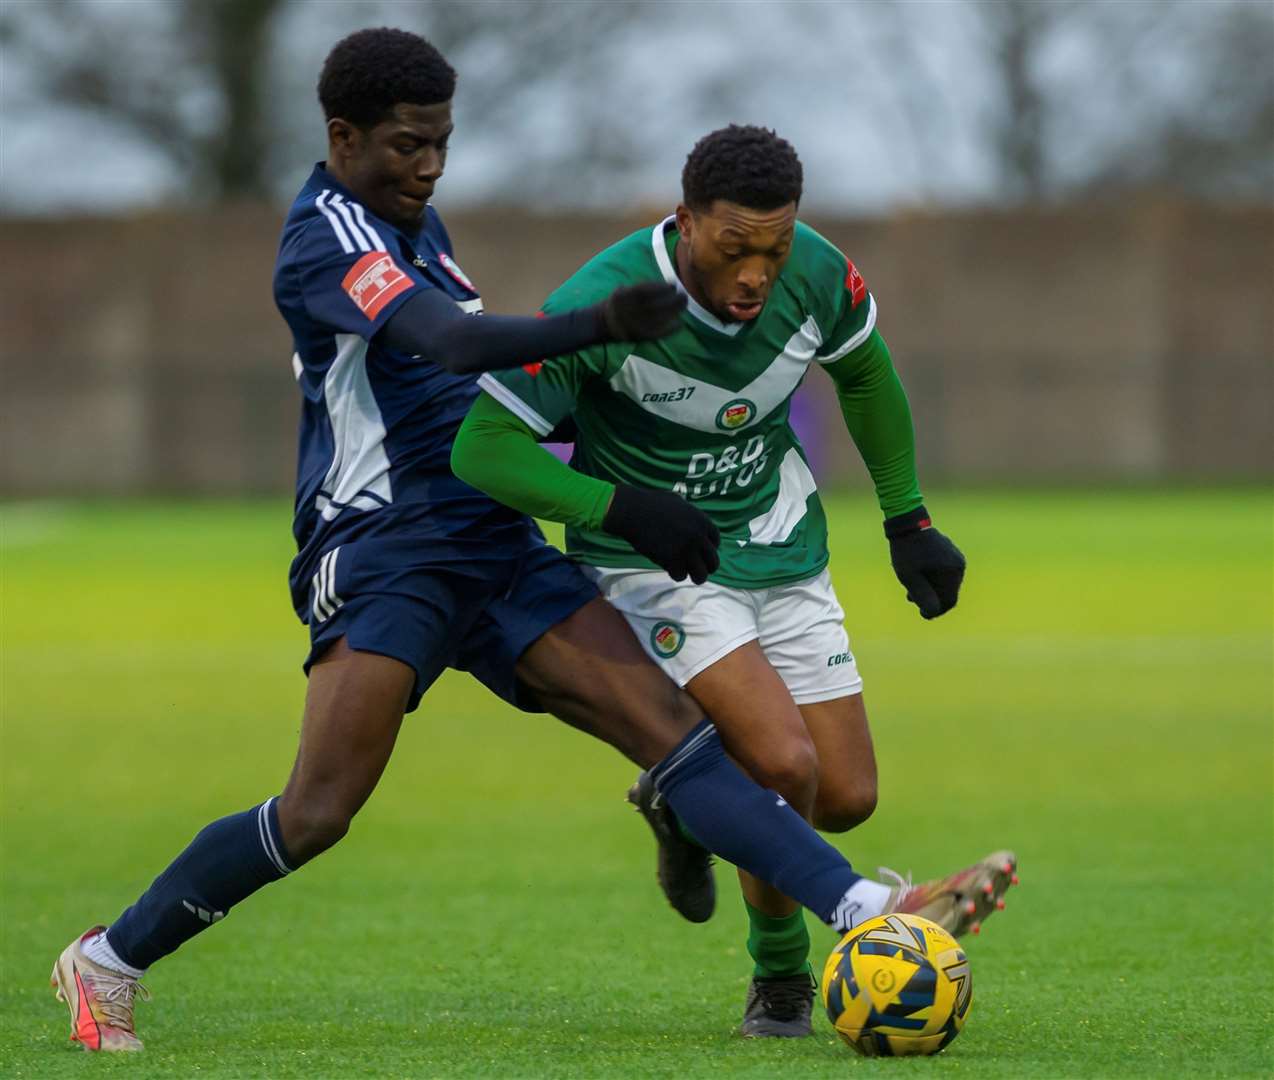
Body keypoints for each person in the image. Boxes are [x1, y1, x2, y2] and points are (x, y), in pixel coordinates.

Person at [49, 33, 1013, 1053]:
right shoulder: (323, 237)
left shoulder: (414, 221)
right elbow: (456, 346)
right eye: (407, 146)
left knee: (677, 739)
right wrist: (599, 326)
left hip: (493, 542)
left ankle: (864, 907)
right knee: (319, 809)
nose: (428, 166)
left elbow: (477, 393)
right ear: (343, 137)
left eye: (441, 144)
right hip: (387, 547)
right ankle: (108, 959)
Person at [452, 124, 1016, 1039]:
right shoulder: (606, 304)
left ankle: (683, 797)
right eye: (734, 247)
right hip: (658, 564)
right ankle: (782, 981)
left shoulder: (818, 273)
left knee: (843, 795)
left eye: (775, 246)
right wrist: (620, 508)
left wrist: (908, 518)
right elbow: (483, 449)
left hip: (779, 537)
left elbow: (865, 374)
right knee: (778, 763)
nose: (757, 271)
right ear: (684, 225)